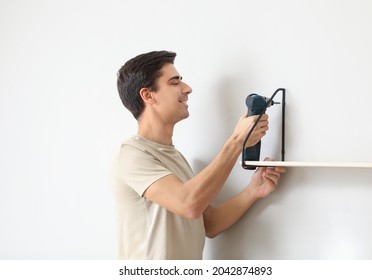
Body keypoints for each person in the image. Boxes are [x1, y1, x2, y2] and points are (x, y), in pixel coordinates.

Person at [114, 50, 286, 260]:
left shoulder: (175, 157)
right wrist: (236, 141)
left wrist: (253, 190)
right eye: (175, 82)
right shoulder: (132, 154)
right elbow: (189, 205)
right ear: (148, 95)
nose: (187, 89)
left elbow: (209, 223)